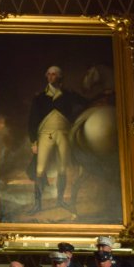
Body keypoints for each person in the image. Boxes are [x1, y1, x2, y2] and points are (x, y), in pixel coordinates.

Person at [28, 64, 85, 212]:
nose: (50, 76)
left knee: (62, 168)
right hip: (44, 134)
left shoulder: (68, 95)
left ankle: (60, 201)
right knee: (39, 169)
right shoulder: (39, 97)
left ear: (59, 77)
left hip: (63, 134)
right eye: (48, 74)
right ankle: (37, 205)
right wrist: (33, 142)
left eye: (53, 74)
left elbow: (85, 103)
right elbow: (32, 121)